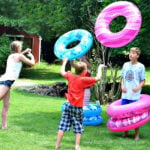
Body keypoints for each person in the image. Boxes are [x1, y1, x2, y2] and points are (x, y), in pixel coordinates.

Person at [55, 57, 105, 150]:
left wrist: (64, 62)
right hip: (77, 107)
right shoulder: (83, 80)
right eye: (86, 69)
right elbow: (98, 78)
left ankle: (57, 145)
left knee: (62, 125)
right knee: (78, 126)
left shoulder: (70, 76)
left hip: (68, 105)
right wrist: (100, 67)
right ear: (84, 71)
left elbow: (62, 71)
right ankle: (77, 146)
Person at [0, 40, 35, 129]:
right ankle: (4, 126)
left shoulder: (11, 56)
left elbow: (19, 56)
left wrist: (25, 52)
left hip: (5, 80)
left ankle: (4, 126)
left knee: (6, 104)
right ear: (18, 48)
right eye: (20, 47)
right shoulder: (19, 56)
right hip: (7, 81)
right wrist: (31, 56)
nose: (21, 48)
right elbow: (32, 64)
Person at [121, 47, 146, 140]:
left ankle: (136, 134)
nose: (131, 54)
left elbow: (143, 81)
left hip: (135, 95)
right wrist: (122, 86)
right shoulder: (125, 65)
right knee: (124, 114)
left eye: (133, 53)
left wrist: (138, 87)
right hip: (125, 94)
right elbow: (122, 77)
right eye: (130, 52)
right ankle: (125, 132)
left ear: (137, 56)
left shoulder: (141, 66)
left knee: (135, 115)